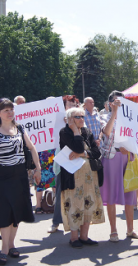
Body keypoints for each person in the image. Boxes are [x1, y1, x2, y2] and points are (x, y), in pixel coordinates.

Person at [0, 98, 41, 264]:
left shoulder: (19, 128)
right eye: (6, 110)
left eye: (11, 109)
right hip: (1, 176)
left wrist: (37, 168)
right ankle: (4, 248)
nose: (10, 112)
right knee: (4, 210)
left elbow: (32, 147)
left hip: (19, 175)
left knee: (16, 210)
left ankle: (12, 244)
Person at [100, 91, 138, 242]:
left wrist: (130, 149)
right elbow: (107, 132)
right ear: (110, 103)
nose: (120, 104)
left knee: (130, 195)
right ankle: (113, 231)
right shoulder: (104, 116)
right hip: (112, 158)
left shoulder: (131, 118)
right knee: (111, 194)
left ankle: (130, 230)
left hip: (127, 158)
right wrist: (114, 112)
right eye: (117, 102)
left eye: (122, 102)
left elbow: (137, 136)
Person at [59, 107, 105, 248]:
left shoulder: (87, 132)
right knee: (75, 205)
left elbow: (96, 152)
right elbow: (78, 147)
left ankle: (84, 236)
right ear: (69, 119)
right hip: (73, 177)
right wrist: (75, 132)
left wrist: (82, 154)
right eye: (77, 117)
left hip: (90, 176)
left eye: (82, 116)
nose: (81, 119)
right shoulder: (65, 132)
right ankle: (74, 238)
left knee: (88, 204)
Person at [47, 95, 79, 233]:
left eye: (74, 104)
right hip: (62, 160)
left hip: (77, 160)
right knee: (61, 192)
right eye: (69, 104)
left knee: (77, 193)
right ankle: (56, 222)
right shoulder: (57, 119)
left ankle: (77, 224)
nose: (72, 106)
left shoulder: (79, 119)